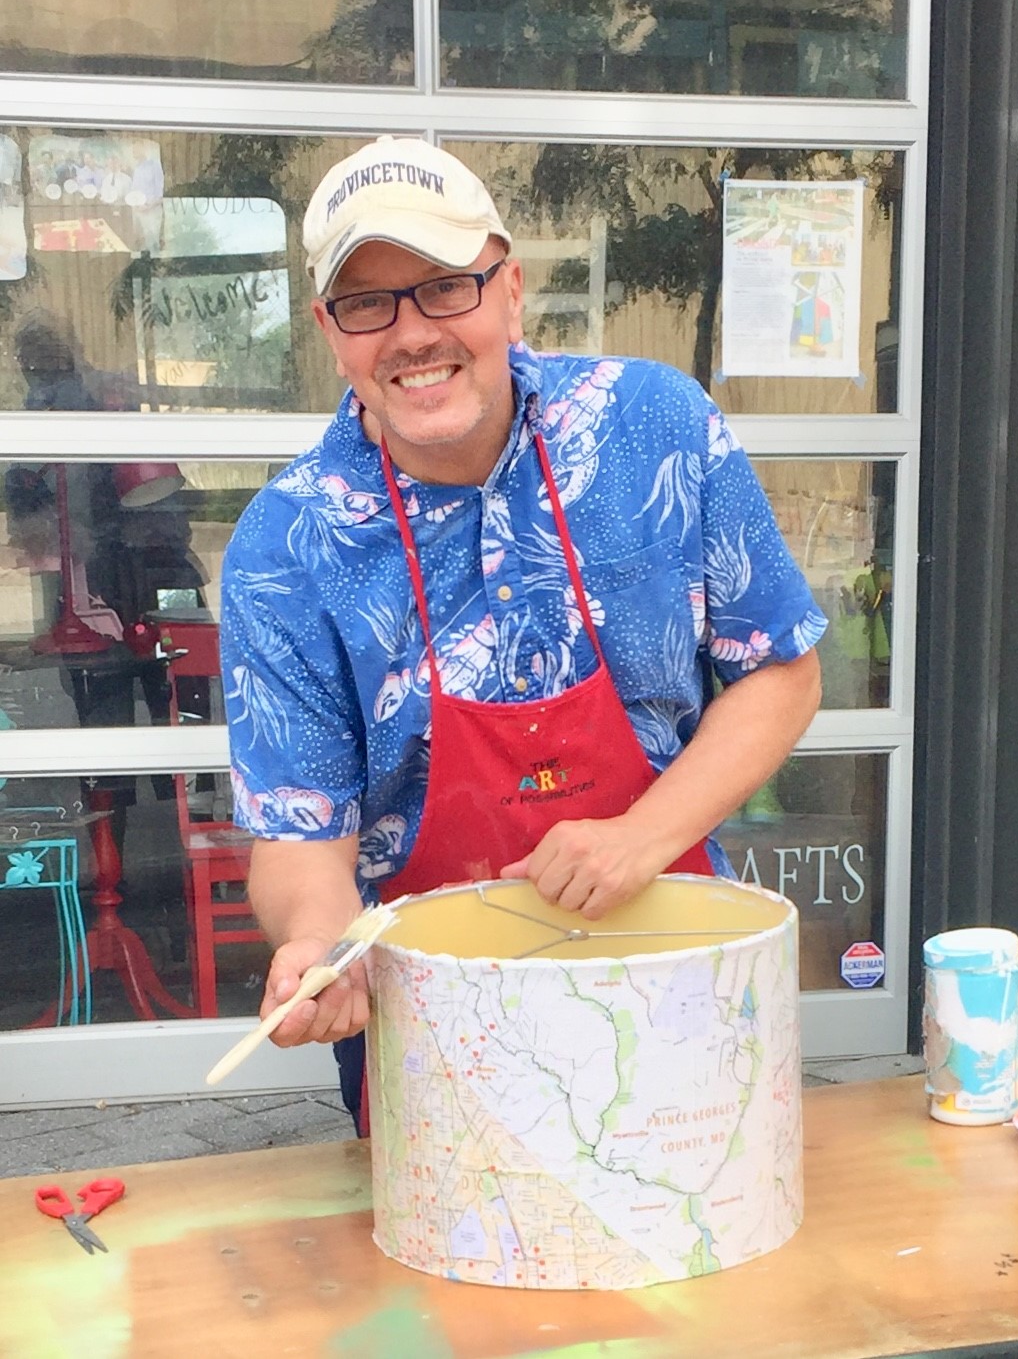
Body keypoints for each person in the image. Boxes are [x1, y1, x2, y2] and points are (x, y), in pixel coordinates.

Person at [220, 136, 827, 1131]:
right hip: (439, 1029)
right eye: (369, 303)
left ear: (509, 290)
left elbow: (783, 675)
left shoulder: (652, 428)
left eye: (445, 287)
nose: (411, 333)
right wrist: (317, 944)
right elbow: (300, 837)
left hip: (674, 979)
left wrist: (643, 836)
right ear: (332, 332)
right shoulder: (287, 544)